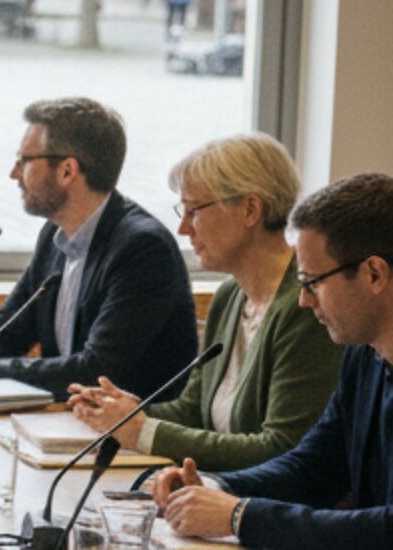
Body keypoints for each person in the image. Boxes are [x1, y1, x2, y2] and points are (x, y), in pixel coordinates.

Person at [150, 173, 393, 550]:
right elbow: (312, 468)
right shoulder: (364, 354)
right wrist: (212, 487)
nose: (302, 301)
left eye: (312, 282)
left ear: (374, 274)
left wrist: (239, 516)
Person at [69, 134, 340, 471]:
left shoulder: (305, 305)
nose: (182, 228)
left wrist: (143, 431)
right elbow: (193, 411)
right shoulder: (229, 295)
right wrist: (125, 411)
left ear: (250, 209)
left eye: (194, 210)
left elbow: (282, 448)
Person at [0, 98, 196, 399]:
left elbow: (95, 371)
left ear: (67, 171)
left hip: (127, 437)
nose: (14, 173)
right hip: (65, 422)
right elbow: (6, 331)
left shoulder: (142, 249)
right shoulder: (55, 233)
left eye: (24, 161)